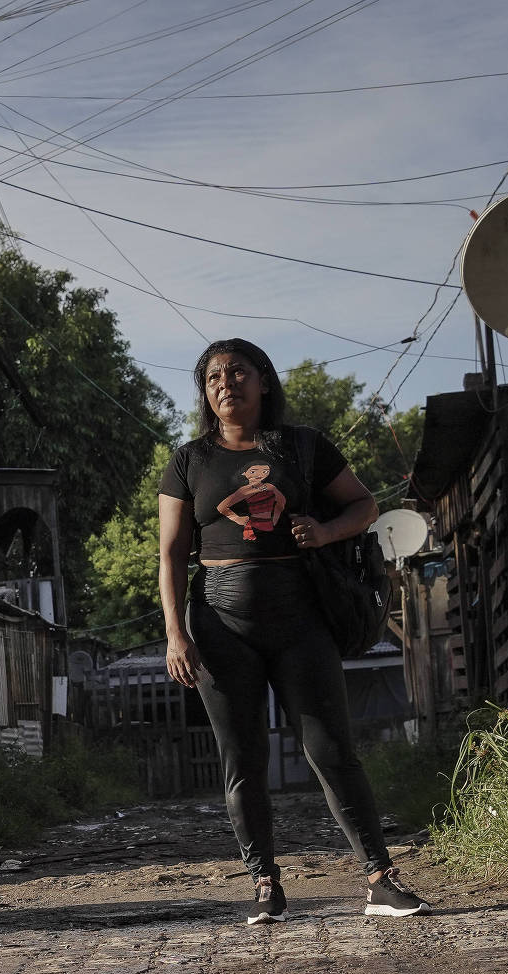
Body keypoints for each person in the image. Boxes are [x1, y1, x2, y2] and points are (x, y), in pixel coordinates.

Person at [156, 339, 429, 922]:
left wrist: (326, 533)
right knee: (243, 758)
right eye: (212, 378)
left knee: (331, 749)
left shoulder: (303, 447)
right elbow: (171, 555)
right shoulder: (187, 462)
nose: (225, 385)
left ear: (263, 381)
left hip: (301, 618)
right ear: (205, 393)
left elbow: (363, 506)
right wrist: (176, 634)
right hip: (220, 625)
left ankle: (381, 881)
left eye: (238, 373)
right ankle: (266, 886)